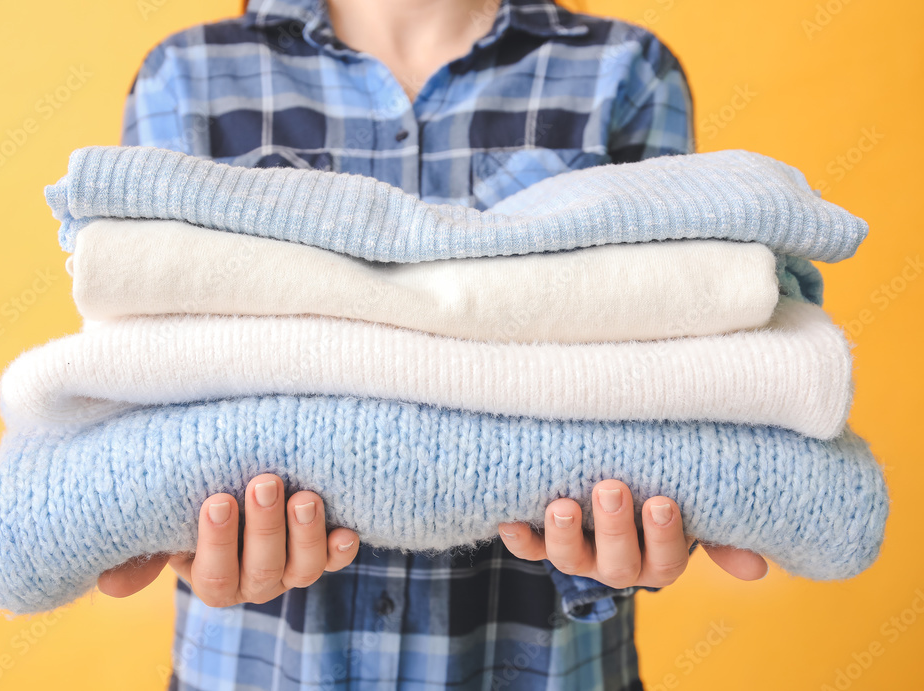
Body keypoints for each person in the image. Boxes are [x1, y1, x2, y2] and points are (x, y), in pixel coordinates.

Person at [98, 0, 769, 688]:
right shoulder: (187, 77)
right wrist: (181, 524)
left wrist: (631, 536)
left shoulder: (624, 72)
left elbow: (669, 364)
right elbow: (157, 374)